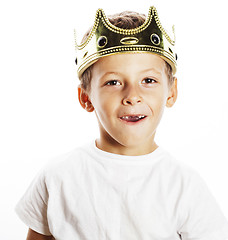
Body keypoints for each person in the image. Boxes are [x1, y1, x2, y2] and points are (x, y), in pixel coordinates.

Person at [15, 6, 228, 240]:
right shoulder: (57, 178)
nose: (132, 95)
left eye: (148, 80)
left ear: (171, 92)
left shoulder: (185, 187)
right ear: (86, 97)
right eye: (114, 82)